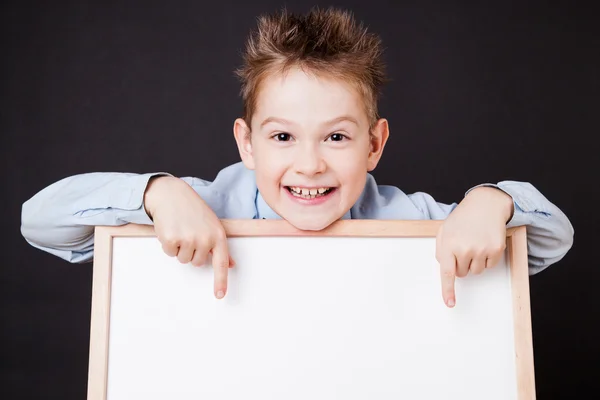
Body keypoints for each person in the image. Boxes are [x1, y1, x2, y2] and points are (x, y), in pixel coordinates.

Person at [20, 7, 574, 308]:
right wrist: (155, 193)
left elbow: (549, 241)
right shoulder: (200, 207)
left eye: (336, 137)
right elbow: (39, 221)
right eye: (283, 137)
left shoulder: (412, 223)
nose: (309, 165)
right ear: (246, 143)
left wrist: (492, 202)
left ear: (375, 144)